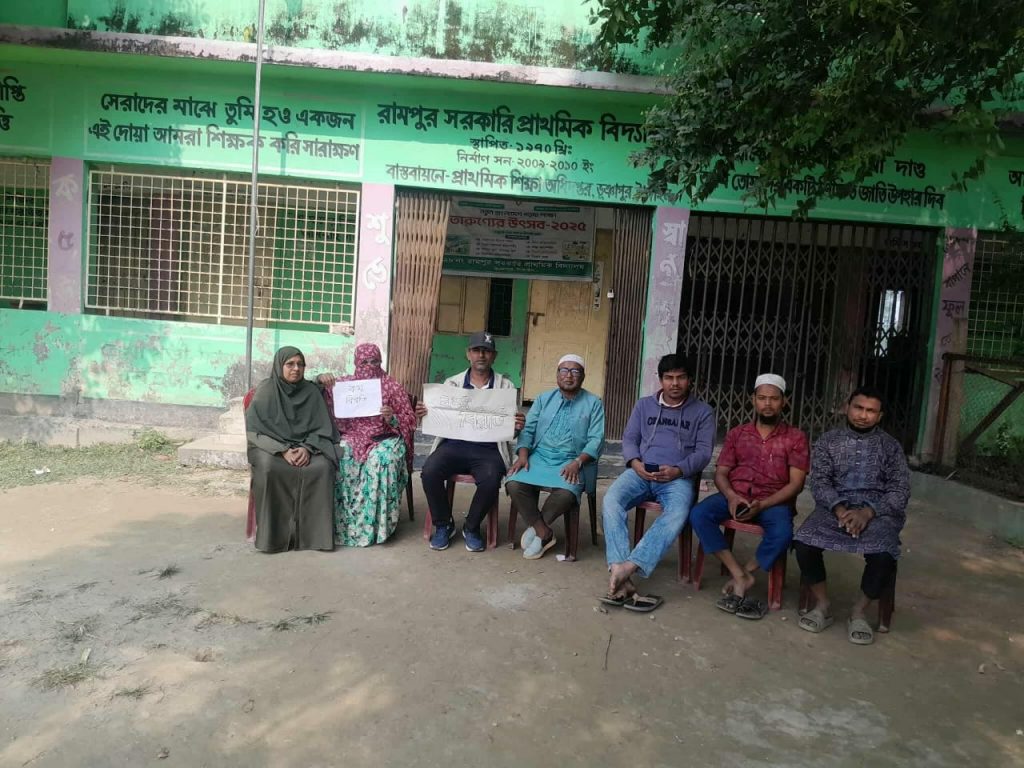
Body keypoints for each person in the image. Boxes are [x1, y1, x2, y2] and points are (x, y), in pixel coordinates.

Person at [793, 386, 910, 645]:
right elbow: (819, 482)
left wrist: (868, 512)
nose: (863, 415)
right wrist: (839, 509)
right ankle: (822, 605)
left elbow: (900, 490)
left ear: (880, 416)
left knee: (884, 553)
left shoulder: (891, 447)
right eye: (858, 408)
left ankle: (858, 611)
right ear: (847, 407)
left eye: (871, 411)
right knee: (804, 542)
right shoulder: (828, 441)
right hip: (834, 509)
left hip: (878, 513)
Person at [600, 353, 715, 612]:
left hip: (677, 478)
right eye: (669, 378)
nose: (675, 383)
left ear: (690, 380)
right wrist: (634, 462)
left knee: (678, 512)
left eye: (681, 377)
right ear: (660, 379)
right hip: (641, 472)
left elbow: (703, 452)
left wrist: (678, 470)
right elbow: (630, 438)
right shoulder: (644, 406)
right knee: (611, 500)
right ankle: (619, 566)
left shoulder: (703, 412)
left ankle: (630, 566)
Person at [689, 374, 809, 620]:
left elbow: (796, 484)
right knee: (699, 514)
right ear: (753, 400)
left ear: (784, 401)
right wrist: (732, 497)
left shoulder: (796, 438)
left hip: (773, 501)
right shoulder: (737, 433)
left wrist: (763, 504)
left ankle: (748, 570)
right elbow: (721, 473)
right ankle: (739, 574)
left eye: (774, 399)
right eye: (762, 398)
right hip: (737, 495)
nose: (767, 404)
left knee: (783, 534)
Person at [416, 331, 525, 552]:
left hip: (488, 449)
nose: (481, 355)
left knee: (492, 478)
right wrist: (426, 413)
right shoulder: (452, 383)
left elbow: (510, 431)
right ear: (468, 354)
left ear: (494, 356)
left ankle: (472, 527)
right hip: (453, 446)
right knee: (429, 472)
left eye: (486, 351)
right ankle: (444, 524)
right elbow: (439, 416)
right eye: (476, 350)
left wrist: (516, 426)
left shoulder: (505, 387)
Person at [506, 354, 605, 560]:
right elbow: (528, 430)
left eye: (575, 371)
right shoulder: (543, 399)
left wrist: (577, 462)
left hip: (571, 461)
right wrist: (523, 455)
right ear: (557, 374)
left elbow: (596, 440)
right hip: (540, 457)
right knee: (513, 483)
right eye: (564, 370)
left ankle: (537, 528)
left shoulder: (593, 403)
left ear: (583, 376)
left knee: (567, 492)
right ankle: (543, 532)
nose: (569, 376)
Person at [317, 343, 416, 547]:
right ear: (356, 363)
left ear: (381, 362)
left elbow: (409, 420)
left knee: (382, 460)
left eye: (375, 361)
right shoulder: (344, 386)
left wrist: (392, 417)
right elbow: (321, 393)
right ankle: (345, 525)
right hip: (352, 435)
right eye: (364, 362)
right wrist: (322, 380)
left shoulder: (391, 386)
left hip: (386, 437)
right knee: (341, 456)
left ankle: (376, 527)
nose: (370, 366)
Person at [245, 346, 341, 553]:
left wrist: (307, 448)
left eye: (300, 364)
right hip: (272, 448)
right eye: (290, 364)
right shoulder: (266, 391)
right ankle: (273, 539)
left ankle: (314, 538)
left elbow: (322, 428)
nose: (296, 369)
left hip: (307, 446)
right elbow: (254, 431)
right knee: (269, 468)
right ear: (279, 366)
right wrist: (282, 450)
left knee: (323, 467)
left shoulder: (311, 392)